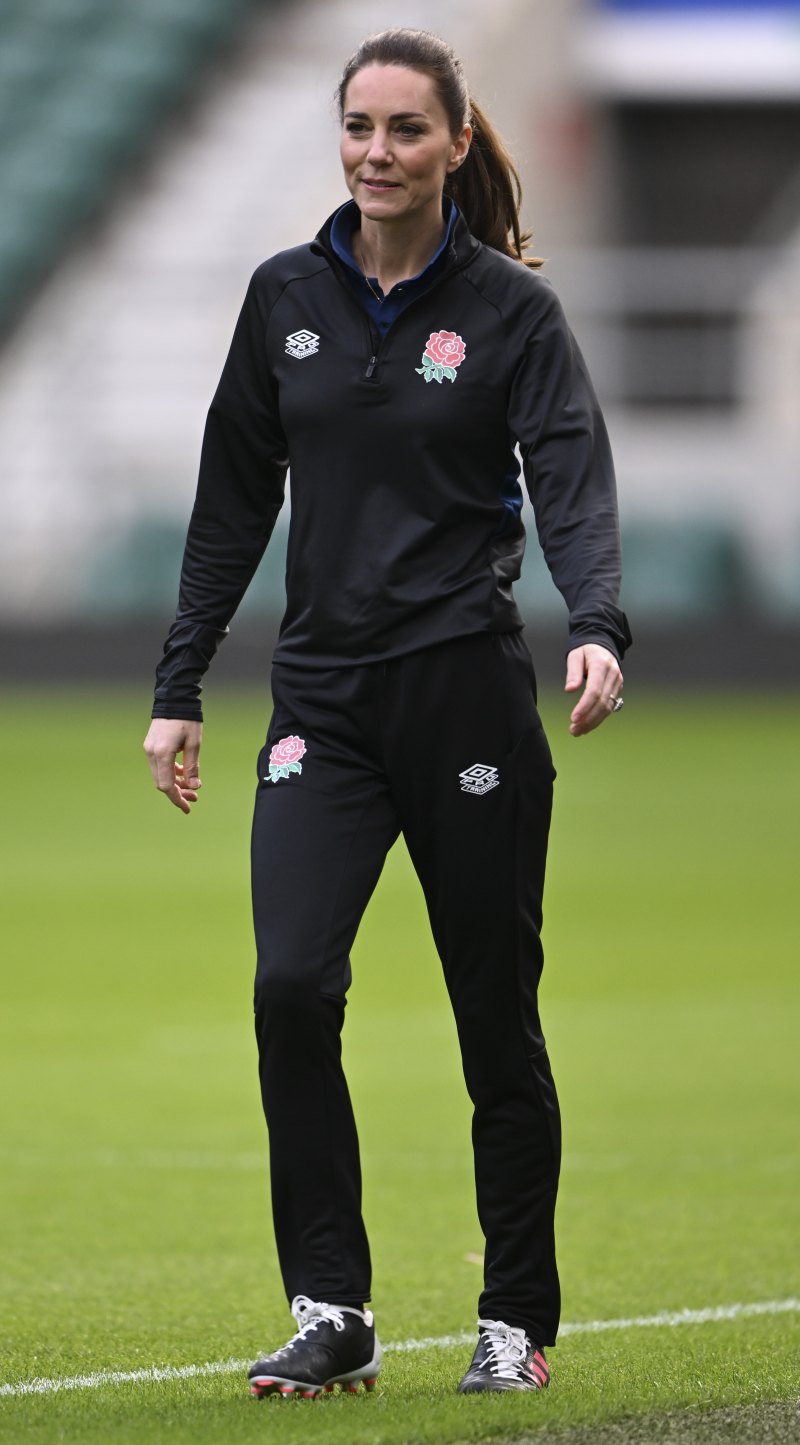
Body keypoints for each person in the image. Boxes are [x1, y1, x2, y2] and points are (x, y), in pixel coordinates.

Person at [143, 27, 631, 1400]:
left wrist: (594, 621)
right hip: (324, 704)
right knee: (291, 986)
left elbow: (571, 478)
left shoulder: (514, 316)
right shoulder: (281, 295)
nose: (376, 151)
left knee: (495, 1016)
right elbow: (232, 499)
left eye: (405, 129)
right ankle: (332, 1306)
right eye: (358, 126)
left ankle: (514, 1319)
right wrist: (179, 687)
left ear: (455, 144)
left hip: (467, 695)